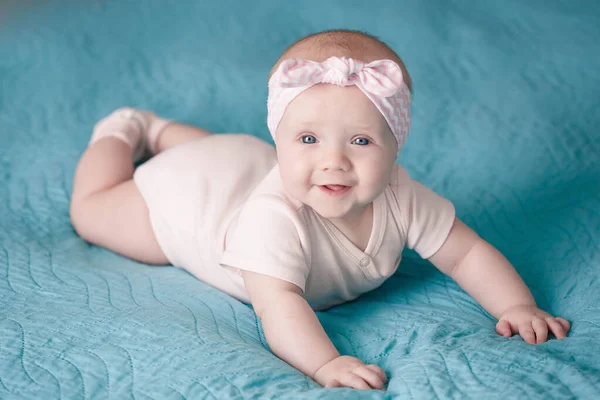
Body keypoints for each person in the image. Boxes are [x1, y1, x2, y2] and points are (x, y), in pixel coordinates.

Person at [69, 29, 571, 390]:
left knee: (229, 153)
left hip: (242, 160)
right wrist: (325, 363)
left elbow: (466, 253)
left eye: (360, 140)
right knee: (92, 212)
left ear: (396, 147)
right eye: (307, 138)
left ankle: (165, 132)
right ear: (282, 139)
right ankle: (129, 128)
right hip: (195, 201)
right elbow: (279, 304)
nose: (334, 161)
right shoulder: (274, 218)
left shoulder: (402, 194)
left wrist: (514, 306)